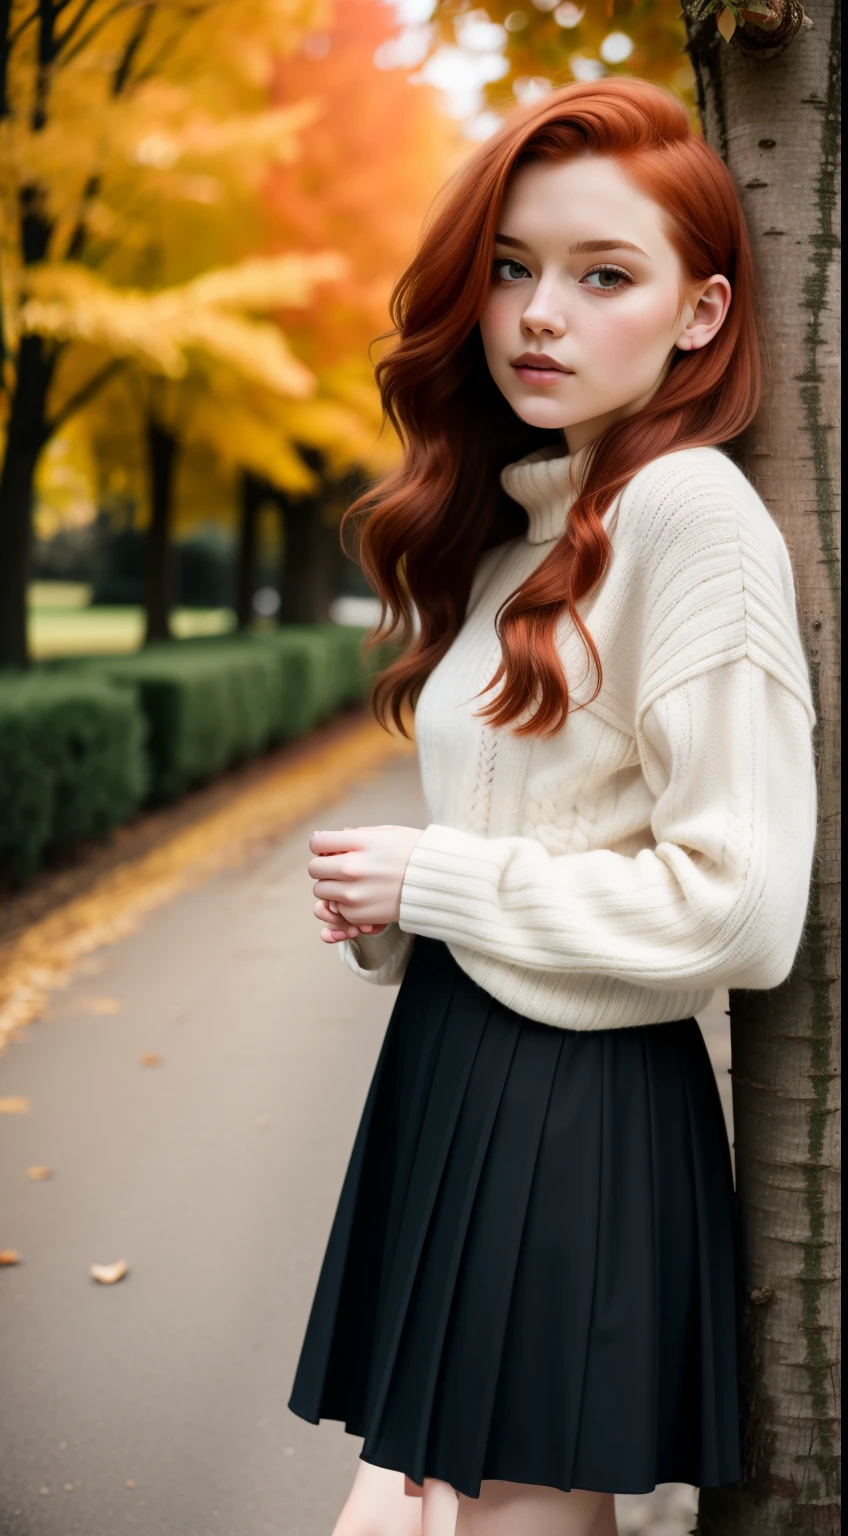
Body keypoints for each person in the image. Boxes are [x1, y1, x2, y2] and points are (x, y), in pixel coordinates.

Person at [286, 77, 818, 1536]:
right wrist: (389, 906)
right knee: (412, 1496)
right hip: (455, 1059)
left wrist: (436, 880)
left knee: (501, 1510)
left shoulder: (688, 515)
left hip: (574, 1095)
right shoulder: (530, 527)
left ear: (700, 314)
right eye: (512, 267)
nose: (536, 313)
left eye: (602, 276)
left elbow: (744, 905)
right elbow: (532, 818)